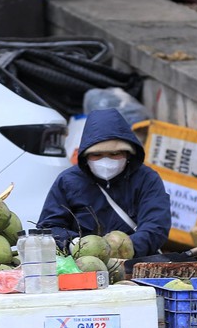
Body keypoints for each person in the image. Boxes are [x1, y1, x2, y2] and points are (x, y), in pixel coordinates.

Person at [37, 108, 171, 257]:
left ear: (128, 154)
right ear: (86, 157)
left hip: (133, 263)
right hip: (81, 265)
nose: (106, 161)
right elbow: (48, 227)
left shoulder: (147, 179)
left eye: (114, 154)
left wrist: (124, 249)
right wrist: (74, 244)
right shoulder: (68, 181)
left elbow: (156, 226)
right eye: (97, 155)